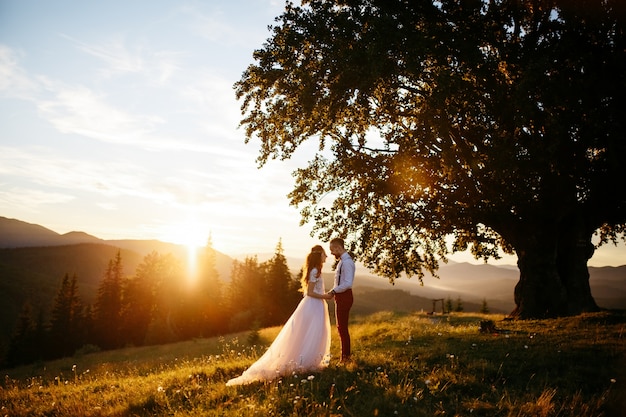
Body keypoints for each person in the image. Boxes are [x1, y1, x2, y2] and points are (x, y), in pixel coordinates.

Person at [226, 245, 333, 386]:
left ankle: (311, 360)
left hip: (316, 305)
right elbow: (311, 292)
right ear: (319, 256)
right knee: (312, 332)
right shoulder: (314, 271)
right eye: (325, 254)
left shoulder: (316, 270)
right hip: (313, 305)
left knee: (315, 333)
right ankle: (306, 362)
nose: (326, 256)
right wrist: (326, 295)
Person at [326, 237, 355, 363]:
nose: (332, 253)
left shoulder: (347, 262)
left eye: (332, 250)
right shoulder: (342, 261)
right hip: (341, 296)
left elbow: (347, 283)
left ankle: (346, 358)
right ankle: (345, 356)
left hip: (345, 296)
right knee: (340, 327)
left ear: (338, 247)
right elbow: (339, 281)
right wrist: (333, 292)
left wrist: (334, 291)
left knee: (342, 328)